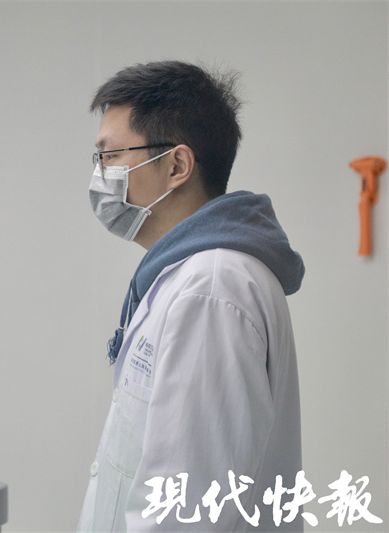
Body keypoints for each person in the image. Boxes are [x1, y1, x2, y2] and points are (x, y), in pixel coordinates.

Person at [79, 61, 305, 532]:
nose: (99, 174)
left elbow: (186, 509)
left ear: (177, 166)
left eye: (111, 156)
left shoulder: (211, 289)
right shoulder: (189, 277)